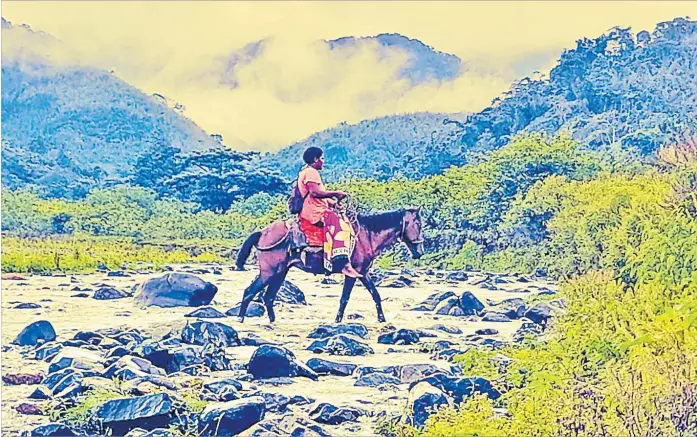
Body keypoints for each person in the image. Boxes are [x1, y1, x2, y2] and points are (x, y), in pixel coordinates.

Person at [297, 146, 362, 278]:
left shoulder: (307, 172)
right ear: (315, 159)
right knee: (342, 226)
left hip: (317, 208)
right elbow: (315, 193)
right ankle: (343, 263)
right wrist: (335, 193)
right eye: (322, 158)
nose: (323, 161)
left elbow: (317, 196)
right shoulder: (311, 172)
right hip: (314, 212)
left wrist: (332, 203)